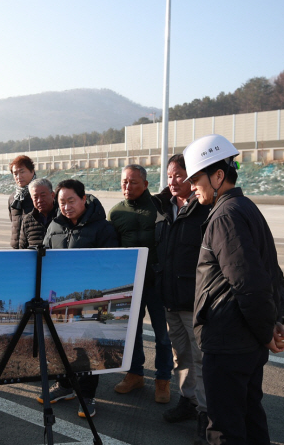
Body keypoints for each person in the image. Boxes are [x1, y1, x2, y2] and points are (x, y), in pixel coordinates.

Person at [183, 134, 284, 445]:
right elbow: (272, 274)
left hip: (230, 343)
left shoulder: (226, 216)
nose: (192, 187)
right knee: (250, 417)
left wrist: (266, 330)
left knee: (224, 429)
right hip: (244, 341)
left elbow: (250, 284)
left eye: (196, 178)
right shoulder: (244, 207)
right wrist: (272, 322)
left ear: (218, 175)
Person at [39, 179, 118, 418]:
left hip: (89, 301)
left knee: (86, 346)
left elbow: (110, 266)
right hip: (60, 301)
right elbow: (44, 258)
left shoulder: (103, 229)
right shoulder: (54, 226)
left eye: (71, 200)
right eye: (61, 202)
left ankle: (87, 395)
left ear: (84, 199)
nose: (66, 206)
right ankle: (64, 386)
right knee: (60, 345)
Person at [151, 155, 211, 443]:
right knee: (180, 356)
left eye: (179, 175)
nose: (173, 181)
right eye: (169, 175)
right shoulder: (162, 208)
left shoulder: (205, 209)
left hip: (194, 301)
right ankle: (187, 401)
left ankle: (206, 413)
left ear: (192, 177)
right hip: (169, 299)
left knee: (200, 359)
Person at [107, 164, 174, 403]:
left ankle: (163, 379)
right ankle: (134, 374)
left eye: (133, 182)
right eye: (124, 181)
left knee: (162, 335)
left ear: (145, 184)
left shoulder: (160, 207)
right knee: (132, 332)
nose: (127, 186)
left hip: (157, 283)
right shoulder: (115, 213)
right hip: (131, 284)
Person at [18, 178, 56, 249]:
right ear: (32, 199)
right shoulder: (27, 220)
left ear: (52, 195)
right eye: (35, 197)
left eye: (43, 195)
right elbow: (22, 249)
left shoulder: (62, 217)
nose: (39, 200)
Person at [8, 155, 35, 248]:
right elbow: (13, 221)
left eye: (22, 172)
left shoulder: (40, 194)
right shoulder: (13, 197)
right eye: (15, 174)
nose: (19, 176)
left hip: (34, 249)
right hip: (16, 248)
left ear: (32, 171)